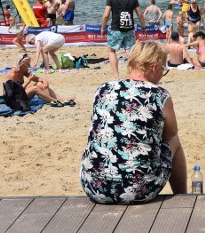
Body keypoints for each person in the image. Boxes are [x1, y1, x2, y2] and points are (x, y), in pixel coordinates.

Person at [80, 41, 187, 204]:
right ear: (154, 67)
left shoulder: (103, 89)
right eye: (163, 70)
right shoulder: (159, 94)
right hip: (139, 190)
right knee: (174, 141)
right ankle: (183, 197)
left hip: (94, 187)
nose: (161, 76)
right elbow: (171, 134)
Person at [101, 0, 146, 79]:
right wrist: (143, 27)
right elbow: (140, 14)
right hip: (129, 28)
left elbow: (106, 15)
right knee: (129, 51)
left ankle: (116, 76)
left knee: (112, 51)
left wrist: (103, 28)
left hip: (116, 28)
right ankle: (133, 74)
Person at [5, 53, 69, 105]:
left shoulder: (22, 69)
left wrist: (44, 80)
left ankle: (62, 99)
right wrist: (29, 80)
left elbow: (36, 79)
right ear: (21, 64)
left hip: (21, 94)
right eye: (27, 64)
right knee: (34, 88)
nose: (29, 66)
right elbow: (14, 93)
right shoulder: (12, 75)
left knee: (40, 84)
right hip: (14, 99)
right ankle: (55, 101)